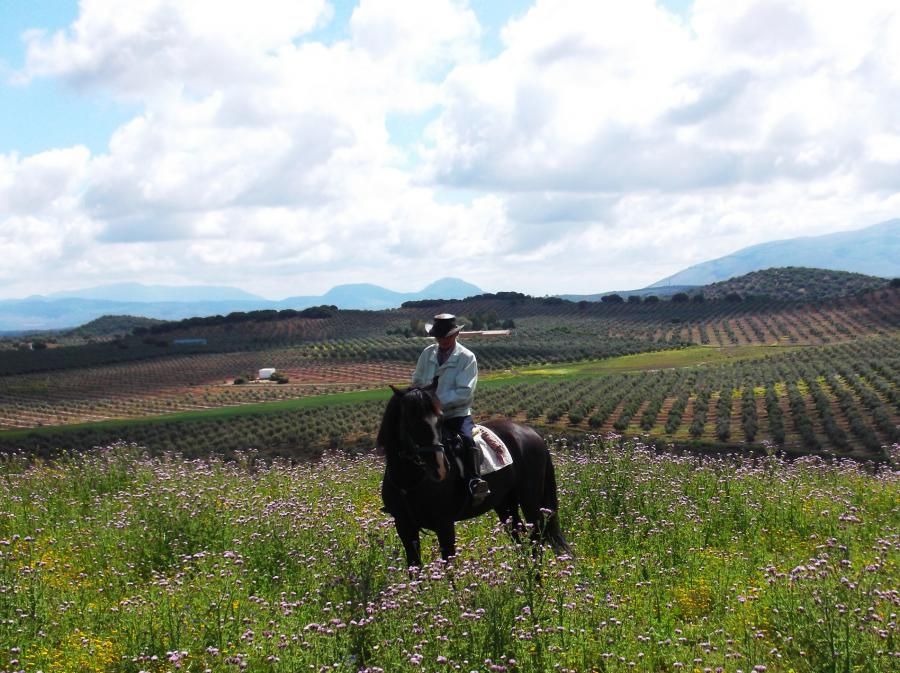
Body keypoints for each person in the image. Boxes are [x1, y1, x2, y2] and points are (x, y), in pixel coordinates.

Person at [412, 313, 490, 502]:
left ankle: (474, 481)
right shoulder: (427, 353)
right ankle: (401, 487)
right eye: (439, 337)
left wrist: (436, 401)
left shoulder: (466, 357)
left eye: (446, 337)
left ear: (456, 335)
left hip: (456, 414)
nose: (443, 340)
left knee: (467, 439)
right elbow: (417, 381)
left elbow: (465, 392)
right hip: (428, 415)